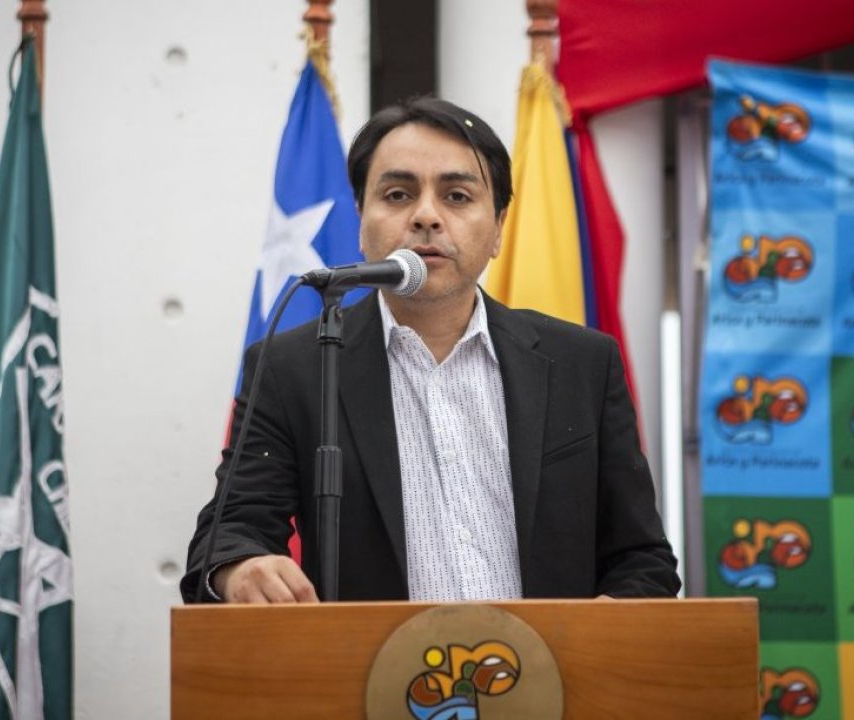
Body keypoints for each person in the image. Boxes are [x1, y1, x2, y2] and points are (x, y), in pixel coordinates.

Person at [181, 97, 680, 604]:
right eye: (398, 194)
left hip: (551, 656)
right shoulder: (296, 369)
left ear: (499, 227)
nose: (426, 217)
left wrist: (610, 622)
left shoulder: (582, 365)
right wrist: (240, 569)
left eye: (457, 196)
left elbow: (641, 560)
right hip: (372, 658)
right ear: (361, 220)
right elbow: (229, 534)